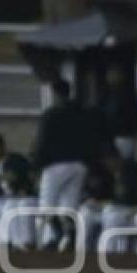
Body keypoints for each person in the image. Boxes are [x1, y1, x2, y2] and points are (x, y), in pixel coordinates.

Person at [33, 79, 108, 251]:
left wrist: (37, 164)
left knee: (46, 206)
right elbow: (92, 140)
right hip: (79, 165)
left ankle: (48, 239)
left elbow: (42, 141)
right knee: (69, 206)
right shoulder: (83, 114)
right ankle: (68, 238)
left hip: (55, 166)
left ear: (55, 93)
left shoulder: (51, 114)